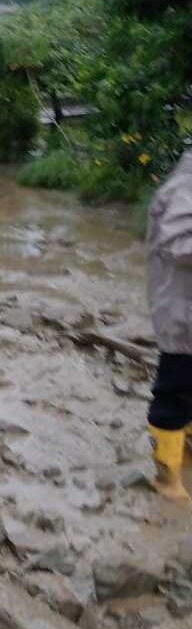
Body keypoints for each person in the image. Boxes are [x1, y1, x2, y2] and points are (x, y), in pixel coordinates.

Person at [144, 147, 192, 503]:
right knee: (173, 390)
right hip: (182, 314)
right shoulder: (186, 185)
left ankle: (184, 447)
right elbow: (178, 245)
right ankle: (167, 478)